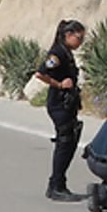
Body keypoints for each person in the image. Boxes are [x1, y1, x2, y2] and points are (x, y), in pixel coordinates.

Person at [33, 19, 86, 202]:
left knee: (71, 141)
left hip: (68, 104)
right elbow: (41, 73)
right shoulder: (57, 53)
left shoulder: (67, 53)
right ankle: (56, 185)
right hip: (59, 104)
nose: (81, 43)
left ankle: (59, 182)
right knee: (65, 142)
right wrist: (59, 84)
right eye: (79, 38)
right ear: (69, 35)